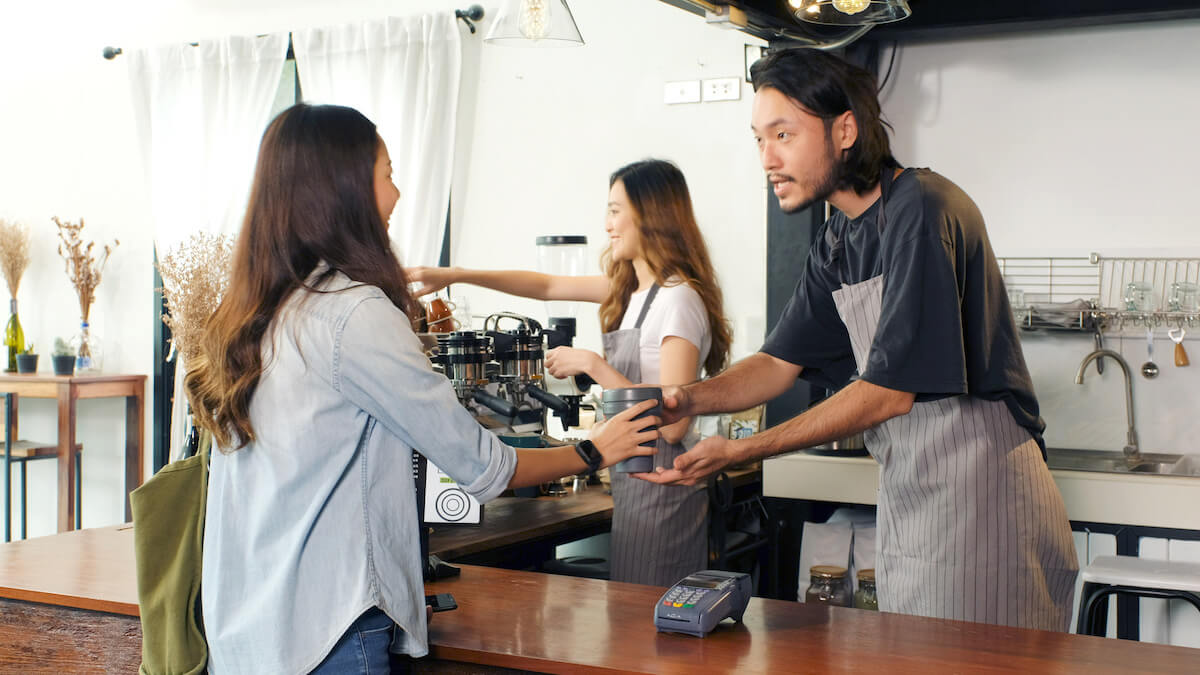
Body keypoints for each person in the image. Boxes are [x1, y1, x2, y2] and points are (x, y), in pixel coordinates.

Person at [186, 103, 658, 674]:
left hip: (247, 633)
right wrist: (593, 449)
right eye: (387, 174)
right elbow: (485, 465)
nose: (398, 194)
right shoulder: (353, 313)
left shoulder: (251, 313)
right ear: (345, 189)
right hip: (330, 630)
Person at [638, 48, 1079, 631]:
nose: (767, 159)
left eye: (784, 134)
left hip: (986, 500)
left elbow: (888, 392)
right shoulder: (837, 240)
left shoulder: (920, 208)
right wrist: (687, 397)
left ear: (844, 129)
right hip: (913, 498)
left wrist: (742, 450)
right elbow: (777, 362)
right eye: (758, 139)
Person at [409, 159, 732, 586]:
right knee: (631, 630)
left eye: (616, 210)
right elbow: (545, 285)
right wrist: (455, 274)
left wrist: (594, 366)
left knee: (657, 634)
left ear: (651, 214)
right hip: (636, 487)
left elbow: (675, 426)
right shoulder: (633, 292)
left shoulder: (679, 300)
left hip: (668, 491)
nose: (608, 224)